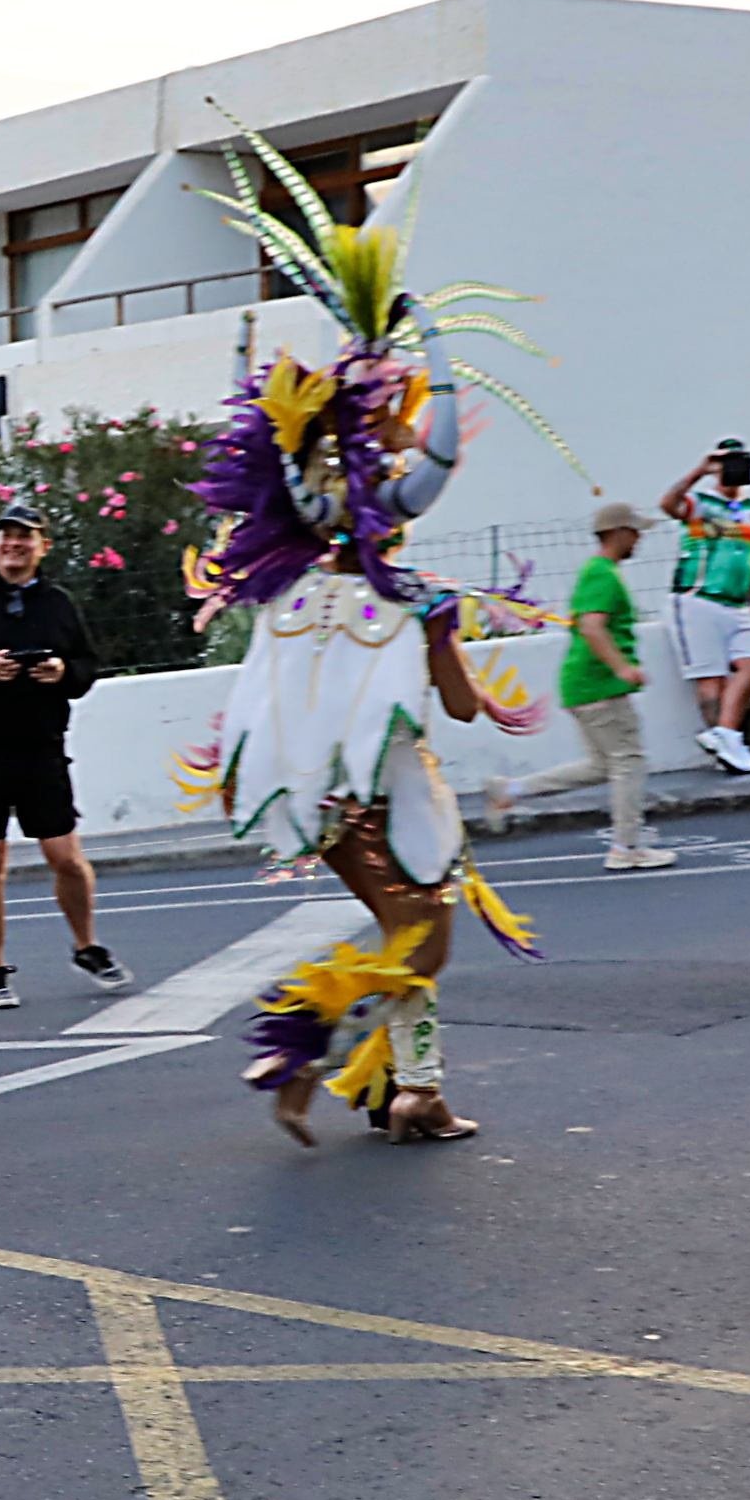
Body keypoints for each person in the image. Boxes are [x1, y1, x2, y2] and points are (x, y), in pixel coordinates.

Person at [191, 121, 548, 1144]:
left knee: (406, 928)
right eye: (383, 452)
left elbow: (256, 714)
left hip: (322, 798)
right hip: (396, 791)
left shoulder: (284, 601)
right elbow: (447, 701)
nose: (398, 462)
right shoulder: (405, 597)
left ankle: (415, 1092)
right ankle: (313, 1036)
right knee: (423, 938)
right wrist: (428, 340)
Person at [0, 509, 124, 1005]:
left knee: (66, 858)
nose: (13, 544)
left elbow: (87, 665)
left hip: (41, 747)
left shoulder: (58, 604)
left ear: (42, 546)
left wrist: (61, 671)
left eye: (24, 537)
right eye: (6, 535)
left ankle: (87, 944)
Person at [547, 499, 667, 868]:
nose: (639, 541)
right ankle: (625, 848)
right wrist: (622, 669)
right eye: (635, 533)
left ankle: (511, 790)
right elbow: (592, 627)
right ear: (618, 533)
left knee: (602, 765)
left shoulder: (598, 571)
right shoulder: (602, 574)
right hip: (599, 686)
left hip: (583, 685)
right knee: (629, 762)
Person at [658, 439, 750, 771]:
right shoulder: (700, 502)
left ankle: (725, 734)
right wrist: (700, 469)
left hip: (736, 603)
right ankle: (726, 748)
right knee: (710, 679)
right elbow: (667, 504)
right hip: (698, 600)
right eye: (728, 463)